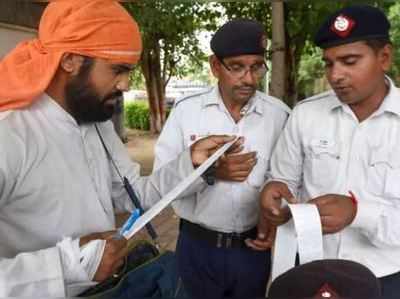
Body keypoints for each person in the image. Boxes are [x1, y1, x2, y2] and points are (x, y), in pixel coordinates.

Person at [0, 0, 238, 297]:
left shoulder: (95, 123)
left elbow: (135, 195)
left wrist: (191, 164)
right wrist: (70, 266)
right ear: (70, 60)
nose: (126, 84)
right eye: (117, 70)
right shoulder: (9, 134)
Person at [248, 5, 400, 299]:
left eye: (349, 61)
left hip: (387, 278)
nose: (336, 75)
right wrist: (274, 190)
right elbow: (282, 178)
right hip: (311, 272)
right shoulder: (306, 115)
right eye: (329, 63)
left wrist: (358, 213)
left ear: (384, 57)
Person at [153, 19, 290, 298]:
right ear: (215, 66)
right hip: (196, 249)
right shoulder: (186, 112)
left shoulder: (279, 115)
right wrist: (211, 172)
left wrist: (278, 220)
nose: (250, 79)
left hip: (253, 251)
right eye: (237, 67)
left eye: (256, 67)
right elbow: (161, 183)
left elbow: (288, 180)